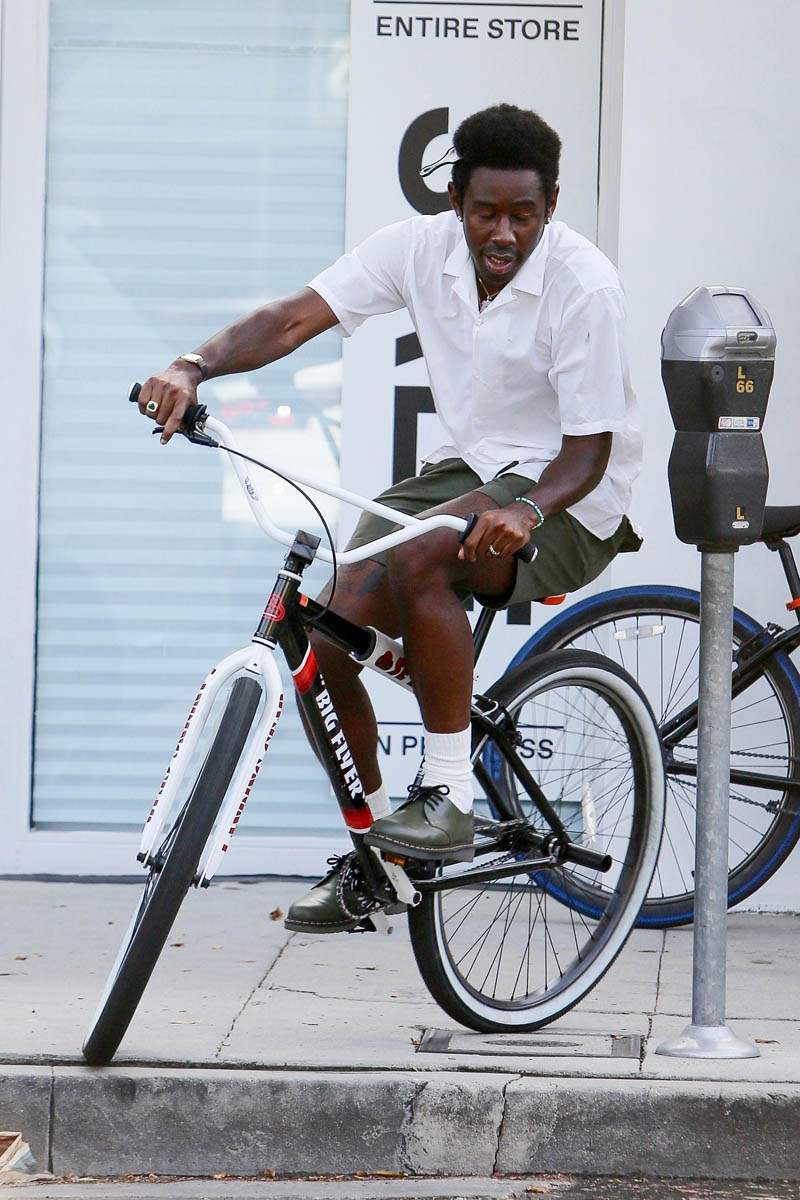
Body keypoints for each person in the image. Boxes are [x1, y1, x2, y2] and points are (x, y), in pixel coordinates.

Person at [137, 103, 642, 934]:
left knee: (423, 557)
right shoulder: (419, 250)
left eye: (524, 214)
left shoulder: (585, 286)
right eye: (487, 213)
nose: (504, 232)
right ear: (456, 202)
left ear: (551, 205)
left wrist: (523, 510)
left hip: (571, 497)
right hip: (477, 469)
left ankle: (446, 792)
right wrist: (194, 364)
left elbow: (587, 454)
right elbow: (295, 317)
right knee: (326, 625)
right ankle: (380, 854)